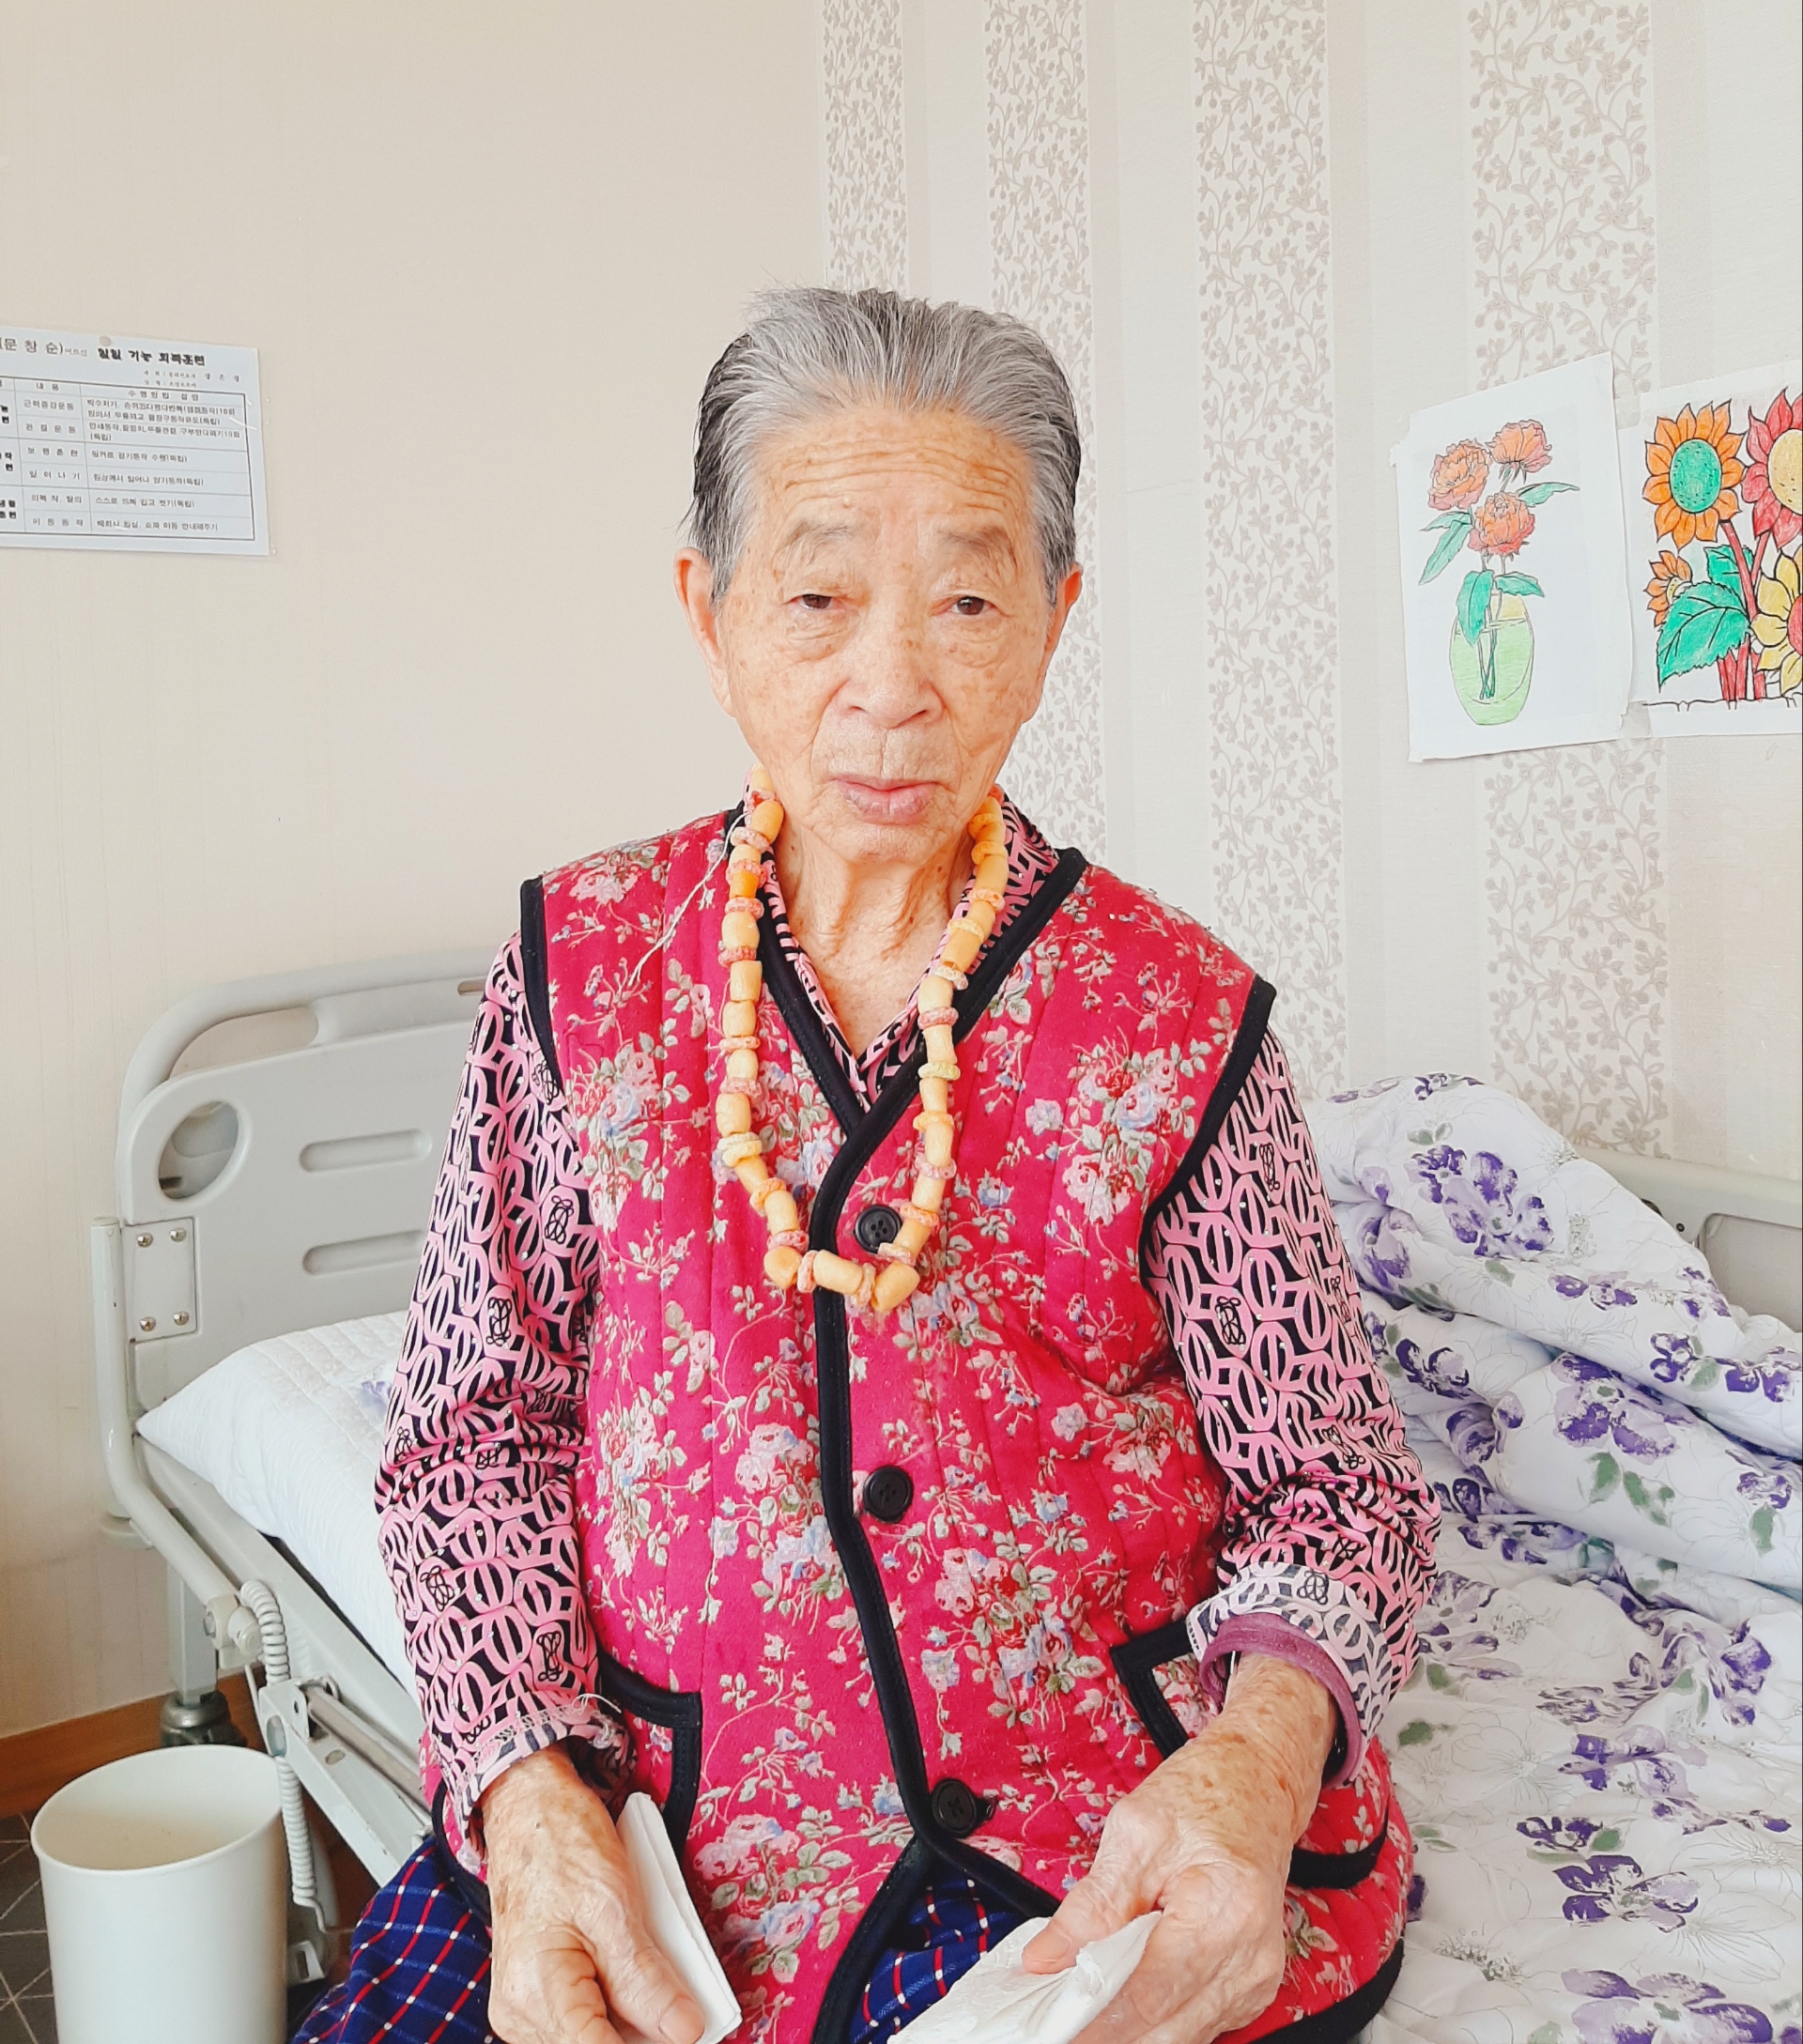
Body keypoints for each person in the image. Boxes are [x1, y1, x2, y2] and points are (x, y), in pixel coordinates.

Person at [299, 286, 1437, 2044]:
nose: (893, 684)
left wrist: (1258, 1760)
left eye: (968, 598)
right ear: (710, 614)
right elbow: (468, 1433)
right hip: (654, 1812)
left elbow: (1343, 1491)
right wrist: (526, 1786)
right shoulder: (577, 971)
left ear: (1054, 622)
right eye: (819, 597)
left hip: (1083, 1830)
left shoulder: (1180, 1018)